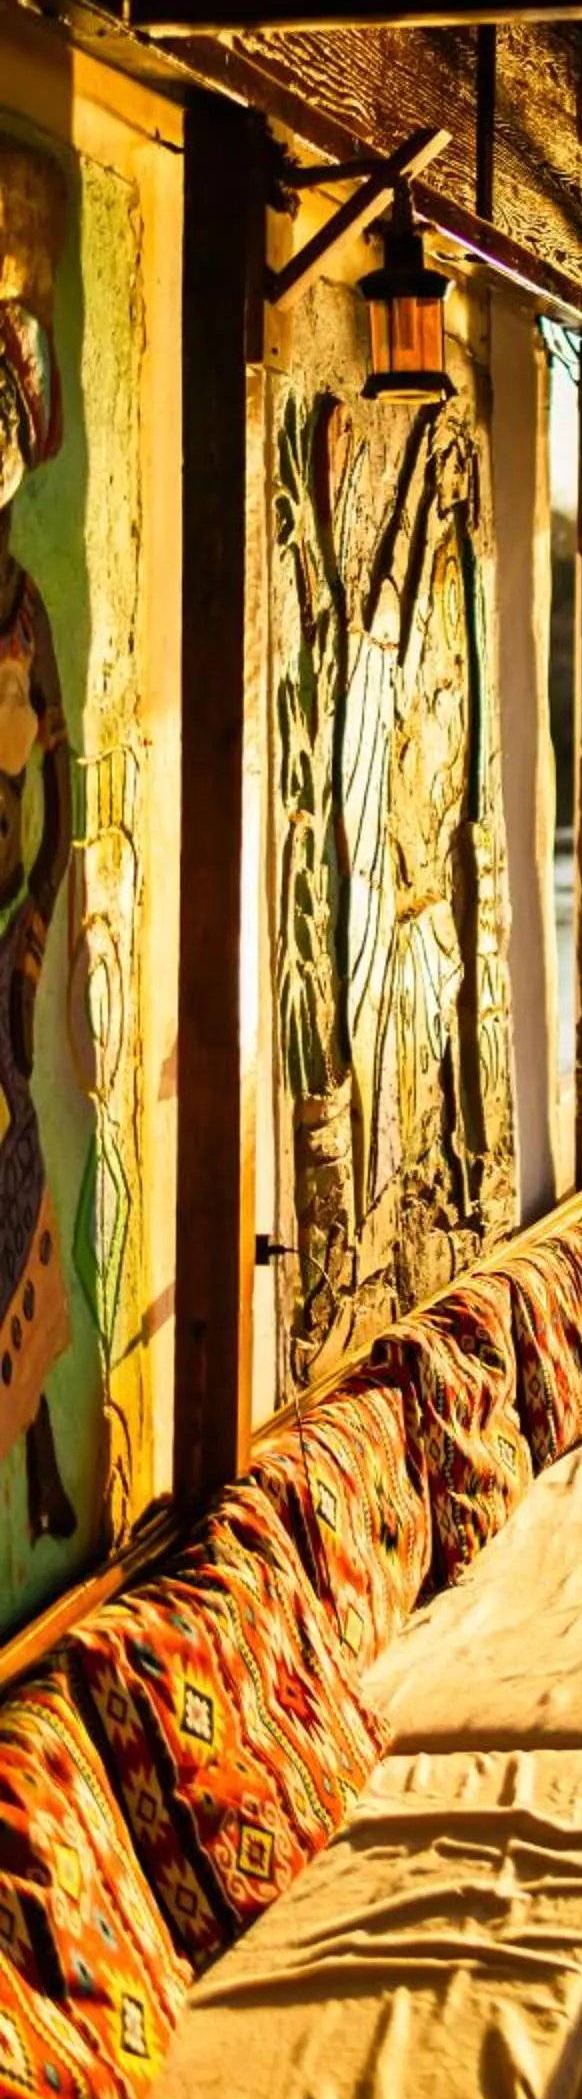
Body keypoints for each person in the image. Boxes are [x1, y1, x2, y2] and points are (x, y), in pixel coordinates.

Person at [0, 292, 76, 1543]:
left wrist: (29, 932)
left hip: (0, 935)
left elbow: (62, 797)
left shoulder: (25, 616)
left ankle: (42, 1454)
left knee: (22, 1176)